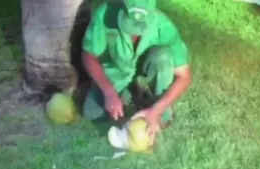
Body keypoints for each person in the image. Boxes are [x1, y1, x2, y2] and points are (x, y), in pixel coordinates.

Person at [82, 0, 192, 145]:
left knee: (162, 57)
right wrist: (108, 91)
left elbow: (184, 76)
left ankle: (160, 111)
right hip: (118, 69)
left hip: (146, 63)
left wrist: (157, 110)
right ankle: (130, 91)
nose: (134, 31)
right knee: (93, 113)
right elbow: (89, 56)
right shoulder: (104, 14)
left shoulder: (164, 26)